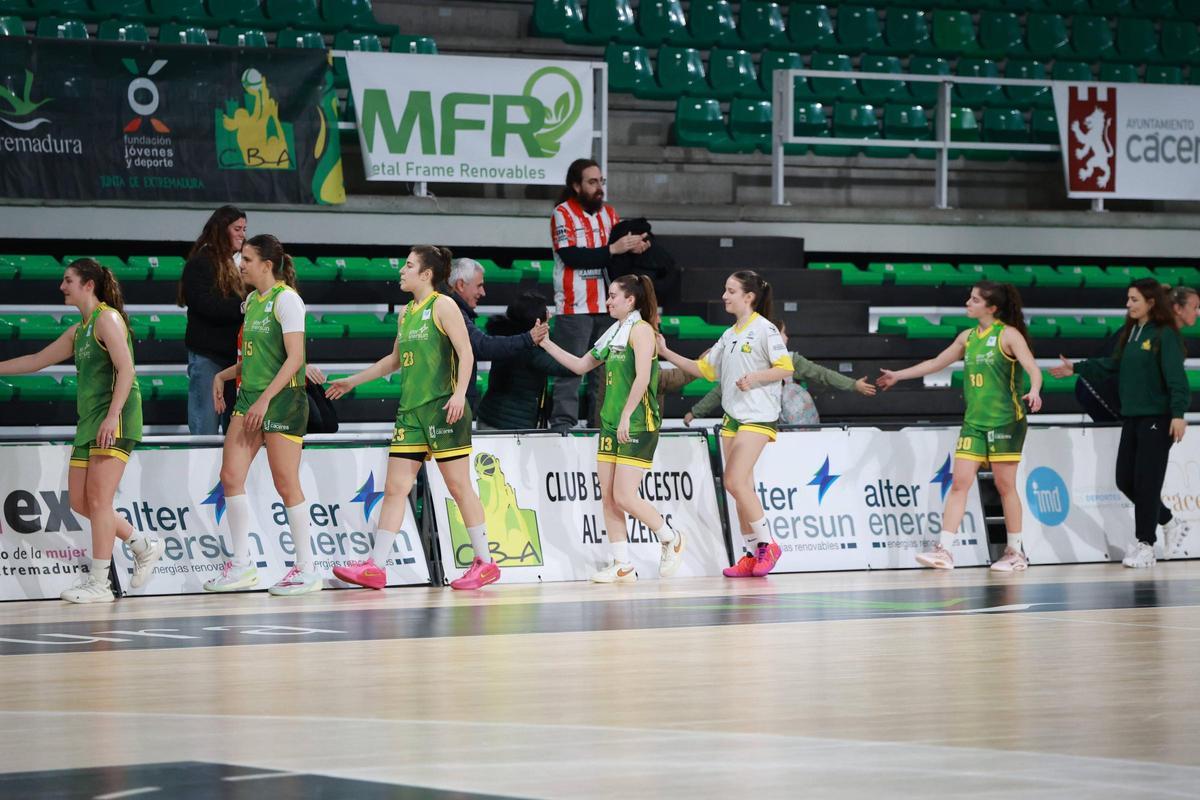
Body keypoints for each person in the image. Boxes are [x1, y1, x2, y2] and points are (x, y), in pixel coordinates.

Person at [327, 246, 501, 591]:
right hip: (411, 412)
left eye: (408, 266)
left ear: (426, 274)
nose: (402, 271)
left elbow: (467, 354)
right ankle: (376, 566)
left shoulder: (444, 305)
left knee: (458, 486)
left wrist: (458, 394)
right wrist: (352, 380)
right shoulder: (406, 313)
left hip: (442, 407)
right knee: (395, 489)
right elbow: (392, 361)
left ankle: (485, 563)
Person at [0, 259, 163, 602]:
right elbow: (35, 360)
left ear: (88, 285)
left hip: (115, 416)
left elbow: (127, 370)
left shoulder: (108, 318)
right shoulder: (80, 330)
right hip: (90, 418)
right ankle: (143, 544)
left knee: (100, 501)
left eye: (68, 280)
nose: (62, 286)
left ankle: (100, 583)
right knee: (79, 501)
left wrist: (111, 416)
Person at [877, 281, 1042, 572]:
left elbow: (1032, 368)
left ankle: (1015, 552)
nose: (968, 302)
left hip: (1006, 420)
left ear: (991, 308)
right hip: (974, 423)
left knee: (1005, 487)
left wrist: (1036, 389)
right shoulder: (968, 337)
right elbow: (936, 363)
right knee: (959, 483)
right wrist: (898, 376)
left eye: (975, 299)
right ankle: (945, 551)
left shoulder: (1008, 335)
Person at [539, 275, 686, 582]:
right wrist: (547, 343)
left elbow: (643, 378)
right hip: (611, 424)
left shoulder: (642, 331)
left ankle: (670, 536)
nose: (607, 301)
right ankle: (622, 564)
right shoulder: (614, 332)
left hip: (637, 423)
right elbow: (580, 366)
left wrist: (626, 415)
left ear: (630, 300)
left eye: (612, 296)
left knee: (624, 496)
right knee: (608, 495)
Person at [203, 235, 322, 596]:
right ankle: (242, 566)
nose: (241, 264)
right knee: (230, 476)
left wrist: (265, 400)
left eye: (248, 259)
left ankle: (306, 569)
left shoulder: (288, 301)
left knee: (286, 483)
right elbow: (254, 359)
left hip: (282, 400)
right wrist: (222, 376)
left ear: (267, 265)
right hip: (250, 398)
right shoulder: (251, 301)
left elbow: (295, 358)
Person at [657, 271, 793, 578]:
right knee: (742, 487)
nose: (724, 296)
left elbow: (786, 367)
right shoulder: (730, 334)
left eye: (730, 291)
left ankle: (769, 544)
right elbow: (704, 370)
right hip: (733, 418)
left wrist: (755, 377)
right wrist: (666, 352)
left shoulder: (765, 329)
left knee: (733, 480)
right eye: (724, 290)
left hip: (758, 416)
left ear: (749, 297)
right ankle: (751, 552)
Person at [1051, 278, 1191, 568]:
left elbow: (1177, 379)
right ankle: (1168, 519)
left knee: (1147, 483)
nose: (1128, 305)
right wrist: (1076, 368)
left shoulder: (1165, 335)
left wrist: (1178, 414)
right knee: (1124, 480)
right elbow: (1114, 365)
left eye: (1134, 300)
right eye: (1128, 299)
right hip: (1133, 416)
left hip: (1158, 418)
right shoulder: (1132, 332)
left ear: (1151, 302)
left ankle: (1146, 546)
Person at [548, 158, 649, 431]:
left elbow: (617, 251)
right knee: (570, 372)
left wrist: (635, 246)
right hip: (574, 306)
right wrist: (614, 249)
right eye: (592, 182)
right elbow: (571, 256)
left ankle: (599, 425)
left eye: (600, 181)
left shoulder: (609, 213)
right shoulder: (562, 213)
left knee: (604, 373)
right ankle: (562, 428)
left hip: (608, 306)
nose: (598, 187)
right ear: (576, 185)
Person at [684, 319, 876, 426]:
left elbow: (822, 374)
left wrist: (853, 384)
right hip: (759, 426)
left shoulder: (790, 360)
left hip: (788, 430)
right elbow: (722, 391)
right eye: (783, 332)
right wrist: (695, 412)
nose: (787, 337)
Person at [178, 205, 247, 435]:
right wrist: (243, 307)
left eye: (244, 229)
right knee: (204, 430)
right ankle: (200, 472)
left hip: (233, 360)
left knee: (234, 430)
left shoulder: (236, 265)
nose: (242, 234)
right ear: (221, 229)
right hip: (208, 357)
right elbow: (204, 304)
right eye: (237, 228)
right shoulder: (201, 262)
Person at [446, 257, 547, 411]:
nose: (483, 292)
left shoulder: (452, 309)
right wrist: (528, 338)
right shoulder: (452, 312)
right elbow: (482, 346)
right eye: (479, 286)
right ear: (460, 285)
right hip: (450, 405)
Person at [476, 292, 575, 430]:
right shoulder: (530, 351)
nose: (550, 316)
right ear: (536, 321)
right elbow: (571, 368)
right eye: (546, 313)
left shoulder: (506, 337)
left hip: (489, 417)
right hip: (509, 429)